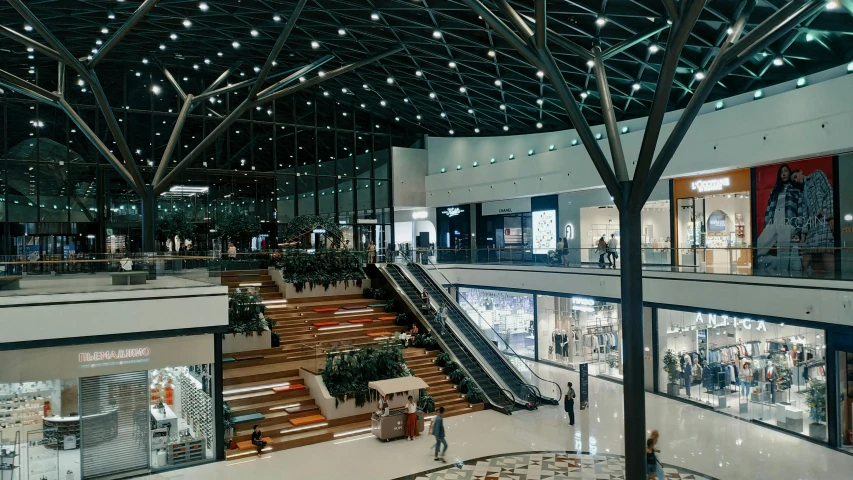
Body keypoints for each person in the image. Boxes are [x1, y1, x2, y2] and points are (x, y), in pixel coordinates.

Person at [757, 164, 804, 273]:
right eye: (781, 172)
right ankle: (766, 263)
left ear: (789, 173)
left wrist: (798, 230)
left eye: (786, 171)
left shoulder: (795, 190)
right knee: (760, 244)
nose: (783, 174)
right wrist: (767, 224)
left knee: (783, 250)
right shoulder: (775, 190)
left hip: (788, 220)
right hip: (774, 219)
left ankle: (782, 274)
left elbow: (800, 211)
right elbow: (768, 209)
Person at [792, 168, 835, 277]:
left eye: (796, 176)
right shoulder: (801, 195)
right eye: (793, 180)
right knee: (804, 259)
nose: (795, 180)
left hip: (823, 219)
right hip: (812, 225)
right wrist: (803, 234)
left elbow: (829, 191)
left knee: (827, 253)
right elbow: (804, 216)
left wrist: (830, 216)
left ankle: (834, 286)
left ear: (801, 172)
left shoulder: (817, 175)